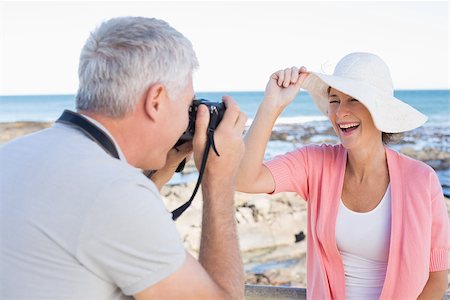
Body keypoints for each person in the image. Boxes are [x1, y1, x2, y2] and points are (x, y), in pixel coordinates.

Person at [0, 17, 247, 299]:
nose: (186, 119)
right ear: (156, 100)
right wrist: (219, 182)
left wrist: (160, 172)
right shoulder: (115, 193)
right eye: (186, 104)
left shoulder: (14, 154)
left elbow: (92, 224)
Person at [236, 52, 449, 299]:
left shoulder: (421, 180)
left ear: (378, 108)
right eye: (334, 100)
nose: (340, 113)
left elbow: (436, 278)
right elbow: (244, 178)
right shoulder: (316, 163)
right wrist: (271, 105)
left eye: (353, 100)